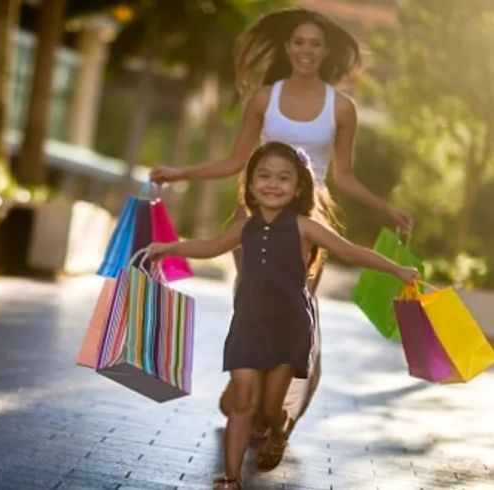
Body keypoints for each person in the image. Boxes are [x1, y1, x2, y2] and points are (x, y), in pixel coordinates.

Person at [149, 7, 413, 451]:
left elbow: (344, 176)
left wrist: (386, 208)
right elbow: (235, 162)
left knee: (297, 307)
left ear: (326, 50)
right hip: (253, 215)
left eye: (315, 43)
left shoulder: (341, 107)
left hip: (311, 218)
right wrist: (180, 173)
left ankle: (282, 411)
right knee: (248, 296)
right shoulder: (262, 99)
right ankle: (244, 392)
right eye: (298, 42)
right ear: (287, 47)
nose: (306, 51)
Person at [147, 142, 419, 489]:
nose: (272, 184)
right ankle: (231, 479)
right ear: (250, 183)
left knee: (269, 410)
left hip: (290, 329)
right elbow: (210, 246)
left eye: (283, 178)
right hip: (248, 325)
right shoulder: (245, 226)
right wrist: (169, 247)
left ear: (298, 187)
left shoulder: (305, 227)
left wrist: (398, 270)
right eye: (264, 175)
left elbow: (350, 252)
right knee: (244, 400)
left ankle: (279, 428)